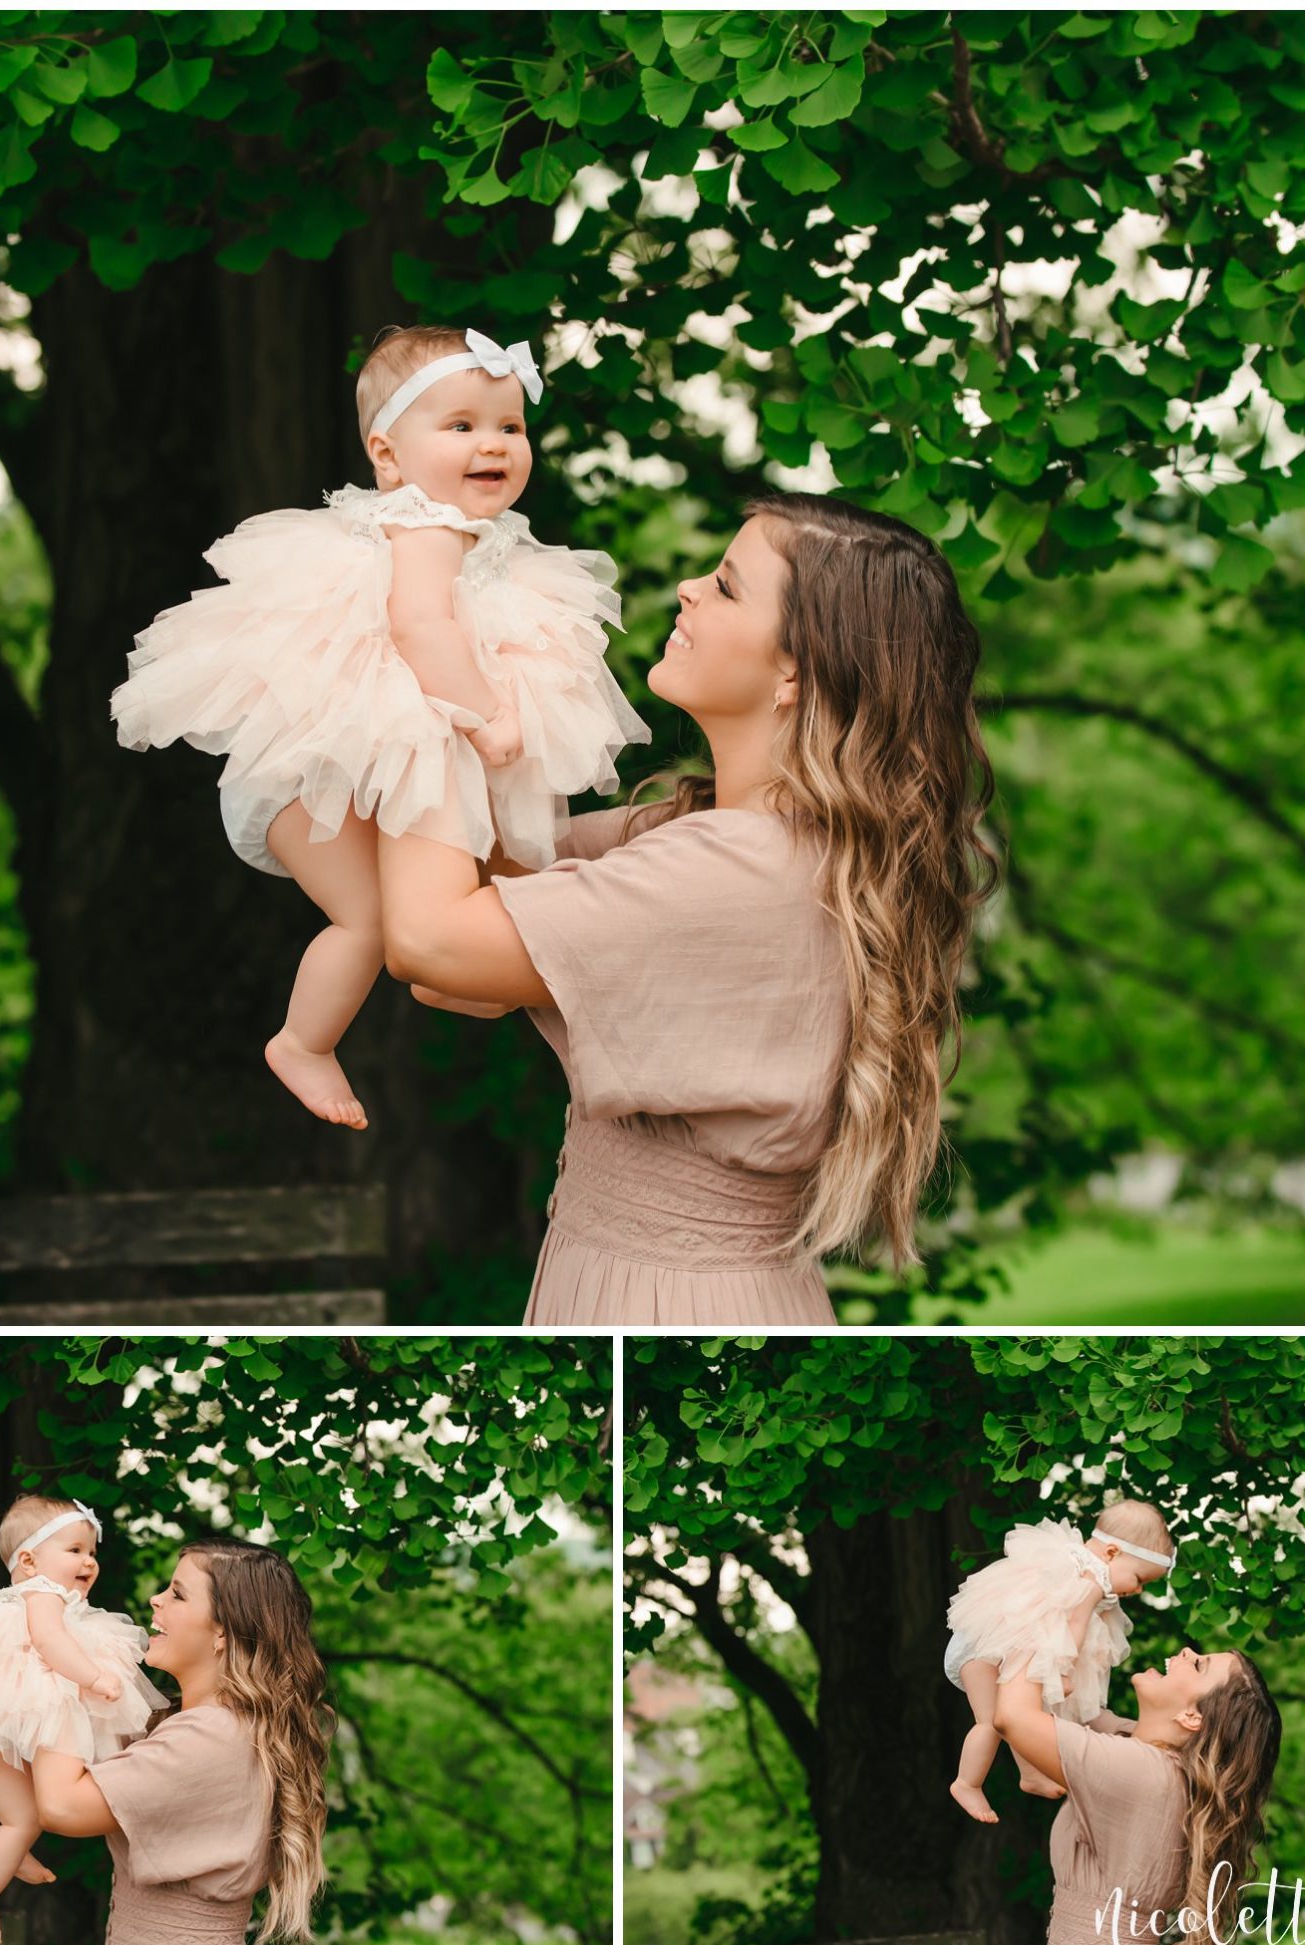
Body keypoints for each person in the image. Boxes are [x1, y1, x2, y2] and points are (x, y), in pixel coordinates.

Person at [378, 492, 998, 1324]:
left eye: (728, 587)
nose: (686, 588)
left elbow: (429, 939)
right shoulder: (720, 836)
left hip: (669, 1302)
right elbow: (478, 913)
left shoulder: (733, 868)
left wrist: (418, 686)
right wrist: (481, 668)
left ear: (797, 672)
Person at [110, 323, 647, 1129]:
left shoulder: (487, 542)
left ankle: (461, 974)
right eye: (461, 426)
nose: (493, 444)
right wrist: (488, 716)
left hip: (372, 769)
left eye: (510, 427)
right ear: (389, 455)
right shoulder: (425, 528)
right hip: (316, 777)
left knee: (442, 905)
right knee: (367, 922)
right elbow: (421, 629)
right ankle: (303, 1042)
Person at [32, 1537, 331, 1945]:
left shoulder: (209, 1737)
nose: (156, 1599)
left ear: (223, 1631)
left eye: (178, 1594)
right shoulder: (197, 1726)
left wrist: (57, 1666)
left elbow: (61, 1805)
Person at [0, 1495, 166, 1945]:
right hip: (22, 1704)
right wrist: (92, 1675)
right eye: (76, 1550)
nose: (89, 1562)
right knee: (26, 1815)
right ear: (28, 1560)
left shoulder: (45, 1600)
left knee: (23, 1813)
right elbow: (48, 1640)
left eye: (92, 1553)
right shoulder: (43, 1594)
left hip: (3, 1719)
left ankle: (14, 1849)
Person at [997, 1633, 1283, 1945]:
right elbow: (1081, 1709)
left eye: (1198, 1664)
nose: (1186, 1651)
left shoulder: (1143, 1772)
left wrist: (1025, 1619)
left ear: (1191, 1716)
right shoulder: (1158, 1763)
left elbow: (1012, 1715)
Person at [944, 1500, 1177, 1824]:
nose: (1138, 1589)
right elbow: (1075, 1625)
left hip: (991, 1642)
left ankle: (1030, 1774)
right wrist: (1062, 1669)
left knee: (1018, 1713)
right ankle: (967, 1783)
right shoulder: (1089, 1580)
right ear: (1111, 1553)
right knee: (990, 1722)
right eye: (1139, 1578)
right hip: (985, 1648)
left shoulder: (1073, 1560)